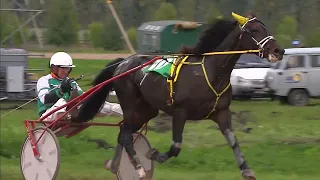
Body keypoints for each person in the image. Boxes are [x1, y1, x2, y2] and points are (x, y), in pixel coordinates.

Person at [36, 52, 123, 126]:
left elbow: (82, 97)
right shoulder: (44, 80)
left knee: (104, 105)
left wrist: (99, 92)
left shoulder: (71, 83)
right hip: (48, 116)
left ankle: (130, 113)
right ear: (54, 68)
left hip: (71, 112)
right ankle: (71, 115)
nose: (66, 71)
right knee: (63, 102)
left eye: (68, 68)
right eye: (63, 68)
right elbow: (45, 100)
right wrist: (61, 91)